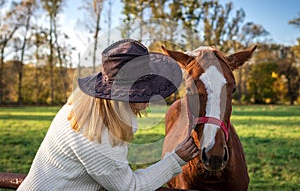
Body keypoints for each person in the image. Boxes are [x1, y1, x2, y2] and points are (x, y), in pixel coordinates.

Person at [17, 39, 199, 191]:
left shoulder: (81, 106)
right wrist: (176, 159)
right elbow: (130, 187)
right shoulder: (98, 137)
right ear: (116, 96)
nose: (147, 101)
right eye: (139, 93)